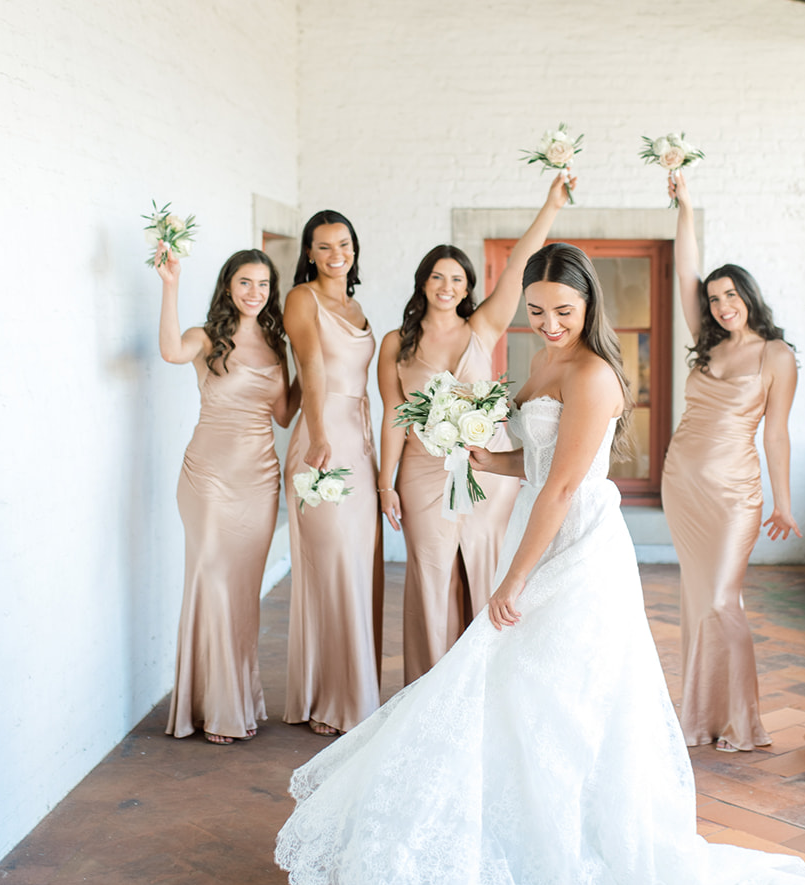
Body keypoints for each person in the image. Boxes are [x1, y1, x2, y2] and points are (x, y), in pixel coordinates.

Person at [276, 243, 805, 885]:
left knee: (561, 693)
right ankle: (530, 841)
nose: (549, 324)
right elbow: (527, 461)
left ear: (590, 311)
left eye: (565, 312)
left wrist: (510, 581)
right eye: (539, 312)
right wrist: (469, 445)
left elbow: (563, 486)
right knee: (524, 694)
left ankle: (579, 854)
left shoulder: (595, 376)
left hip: (575, 547)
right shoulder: (543, 365)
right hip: (539, 534)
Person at [377, 174, 569, 683]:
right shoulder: (397, 343)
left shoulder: (482, 328)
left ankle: (487, 678)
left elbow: (517, 269)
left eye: (458, 280)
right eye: (438, 278)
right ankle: (432, 685)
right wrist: (385, 483)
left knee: (484, 569)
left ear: (468, 288)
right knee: (432, 574)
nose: (448, 287)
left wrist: (549, 205)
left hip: (487, 474)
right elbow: (394, 416)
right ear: (423, 282)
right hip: (421, 475)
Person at [661, 170, 800, 751]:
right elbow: (685, 270)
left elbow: (777, 434)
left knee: (723, 599)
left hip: (734, 493)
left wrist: (784, 502)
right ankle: (700, 720)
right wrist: (686, 206)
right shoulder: (706, 342)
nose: (721, 306)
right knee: (699, 602)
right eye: (714, 299)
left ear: (749, 296)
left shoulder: (776, 354)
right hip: (682, 483)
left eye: (730, 296)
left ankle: (743, 723)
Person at [157, 246, 298, 744]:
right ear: (227, 286)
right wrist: (170, 283)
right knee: (213, 581)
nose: (254, 293)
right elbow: (171, 350)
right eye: (245, 283)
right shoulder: (206, 337)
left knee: (242, 594)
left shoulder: (277, 344)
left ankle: (237, 699)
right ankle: (215, 707)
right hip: (209, 478)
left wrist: (319, 365)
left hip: (260, 480)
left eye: (263, 285)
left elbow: (283, 415)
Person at [283, 210, 382, 736]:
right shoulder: (303, 299)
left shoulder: (358, 306)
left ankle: (352, 690)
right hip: (325, 441)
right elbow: (312, 368)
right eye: (323, 246)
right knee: (330, 563)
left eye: (343, 243)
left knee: (356, 564)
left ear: (353, 248)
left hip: (360, 442)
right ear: (309, 253)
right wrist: (318, 434)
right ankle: (329, 699)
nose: (335, 253)